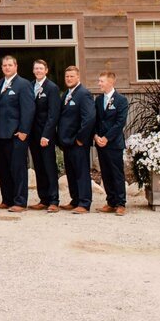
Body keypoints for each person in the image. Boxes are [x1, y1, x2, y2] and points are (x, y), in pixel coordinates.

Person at [0, 55, 34, 212]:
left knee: (18, 169)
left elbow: (28, 110)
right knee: (3, 169)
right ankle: (7, 199)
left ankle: (20, 201)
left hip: (16, 135)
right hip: (0, 135)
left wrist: (24, 131)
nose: (7, 68)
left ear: (16, 66)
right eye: (4, 65)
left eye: (10, 65)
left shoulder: (23, 85)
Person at [57, 65, 96, 214]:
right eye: (67, 76)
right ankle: (75, 200)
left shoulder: (83, 94)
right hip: (67, 142)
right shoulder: (66, 94)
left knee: (81, 173)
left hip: (77, 142)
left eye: (71, 76)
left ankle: (84, 203)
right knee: (71, 173)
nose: (68, 79)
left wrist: (80, 138)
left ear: (78, 77)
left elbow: (89, 118)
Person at [94, 70, 129, 215]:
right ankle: (111, 202)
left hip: (113, 144)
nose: (99, 84)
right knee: (106, 173)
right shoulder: (97, 100)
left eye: (101, 81)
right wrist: (96, 136)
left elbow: (120, 123)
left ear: (111, 82)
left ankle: (121, 203)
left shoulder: (121, 100)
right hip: (100, 142)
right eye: (99, 81)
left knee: (116, 173)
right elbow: (94, 120)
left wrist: (107, 138)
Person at [28, 60, 62, 212]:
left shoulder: (52, 88)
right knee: (38, 167)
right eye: (36, 68)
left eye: (41, 68)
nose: (38, 71)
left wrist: (46, 135)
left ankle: (54, 200)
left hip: (45, 135)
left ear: (46, 70)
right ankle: (43, 199)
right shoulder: (30, 86)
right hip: (32, 134)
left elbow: (53, 114)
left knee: (49, 167)